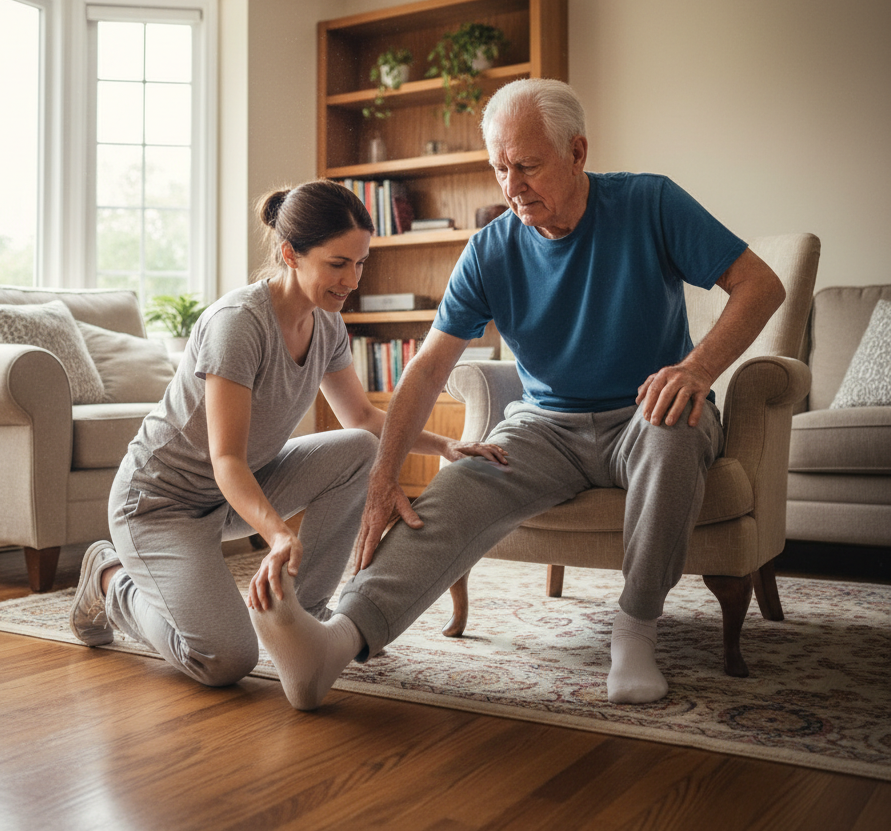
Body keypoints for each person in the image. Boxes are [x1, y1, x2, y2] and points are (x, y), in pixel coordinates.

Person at [249, 78, 786, 710]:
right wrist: (384, 478)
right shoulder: (489, 249)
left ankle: (635, 628)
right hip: (544, 427)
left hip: (647, 413)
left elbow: (760, 285)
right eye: (500, 167)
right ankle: (334, 645)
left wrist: (696, 371)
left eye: (527, 165)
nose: (512, 185)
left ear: (577, 152)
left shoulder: (650, 202)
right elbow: (424, 370)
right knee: (455, 489)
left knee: (673, 428)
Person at [68, 179, 504, 687]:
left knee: (360, 450)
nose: (352, 280)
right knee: (225, 660)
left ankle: (307, 616)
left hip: (232, 494)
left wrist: (442, 445)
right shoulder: (238, 324)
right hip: (160, 504)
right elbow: (226, 458)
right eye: (337, 264)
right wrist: (276, 534)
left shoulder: (327, 323)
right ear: (290, 254)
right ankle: (108, 577)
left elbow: (362, 419)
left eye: (360, 263)